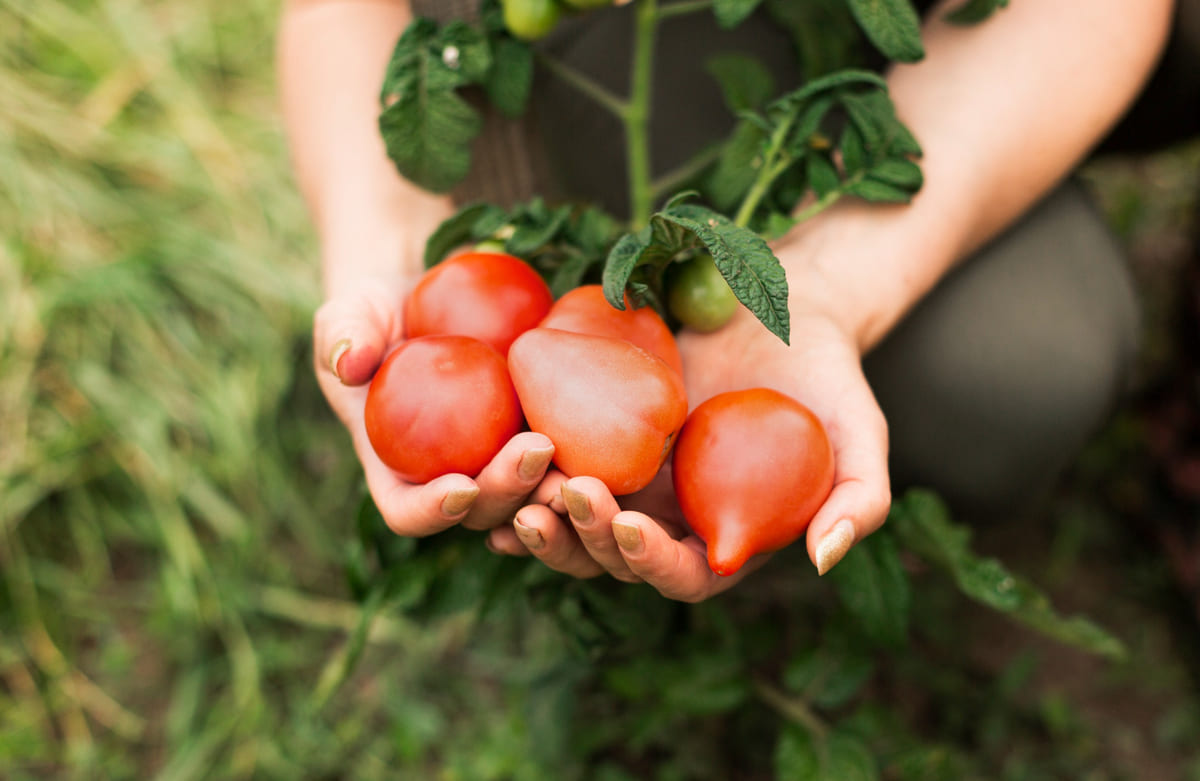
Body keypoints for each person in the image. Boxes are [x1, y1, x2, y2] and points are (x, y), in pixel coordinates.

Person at [278, 0, 1178, 602]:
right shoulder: (552, 348)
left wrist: (847, 272)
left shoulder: (559, 360)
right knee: (1014, 367)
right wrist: (386, 229)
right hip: (589, 39)